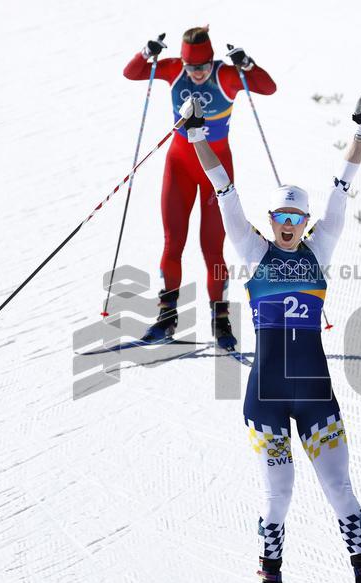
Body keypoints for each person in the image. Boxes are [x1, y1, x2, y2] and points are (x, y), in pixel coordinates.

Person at [180, 93, 361, 583]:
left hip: (315, 395)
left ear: (306, 220)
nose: (290, 224)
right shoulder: (253, 252)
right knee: (279, 495)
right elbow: (225, 192)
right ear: (271, 221)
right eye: (282, 217)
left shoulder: (321, 248)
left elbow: (342, 192)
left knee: (340, 489)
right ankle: (270, 580)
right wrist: (200, 136)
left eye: (298, 216)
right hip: (266, 398)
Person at [123, 27, 277, 348]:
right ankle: (166, 318)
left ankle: (221, 321)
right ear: (183, 61)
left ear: (212, 59)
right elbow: (131, 73)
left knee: (212, 247)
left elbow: (268, 88)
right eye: (193, 67)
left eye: (204, 65)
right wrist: (148, 53)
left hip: (216, 171)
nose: (198, 73)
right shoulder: (173, 69)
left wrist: (247, 64)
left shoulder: (226, 76)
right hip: (179, 165)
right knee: (173, 242)